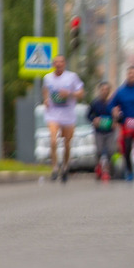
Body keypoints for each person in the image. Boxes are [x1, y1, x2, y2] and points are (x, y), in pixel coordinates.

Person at [42, 54, 85, 183]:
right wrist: (46, 99)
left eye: (61, 62)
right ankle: (55, 168)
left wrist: (70, 94)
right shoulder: (48, 78)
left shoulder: (72, 77)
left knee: (67, 143)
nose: (58, 64)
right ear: (53, 65)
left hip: (68, 114)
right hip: (53, 114)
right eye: (56, 62)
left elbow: (81, 93)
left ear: (64, 64)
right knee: (53, 141)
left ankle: (65, 166)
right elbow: (45, 90)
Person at [87, 81, 116, 180]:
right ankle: (98, 168)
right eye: (102, 90)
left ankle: (109, 170)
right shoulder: (95, 103)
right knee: (99, 151)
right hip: (99, 131)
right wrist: (94, 120)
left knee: (111, 151)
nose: (104, 92)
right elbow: (88, 115)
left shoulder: (113, 103)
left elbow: (119, 115)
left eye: (106, 90)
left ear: (109, 91)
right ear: (99, 91)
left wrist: (115, 120)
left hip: (110, 131)